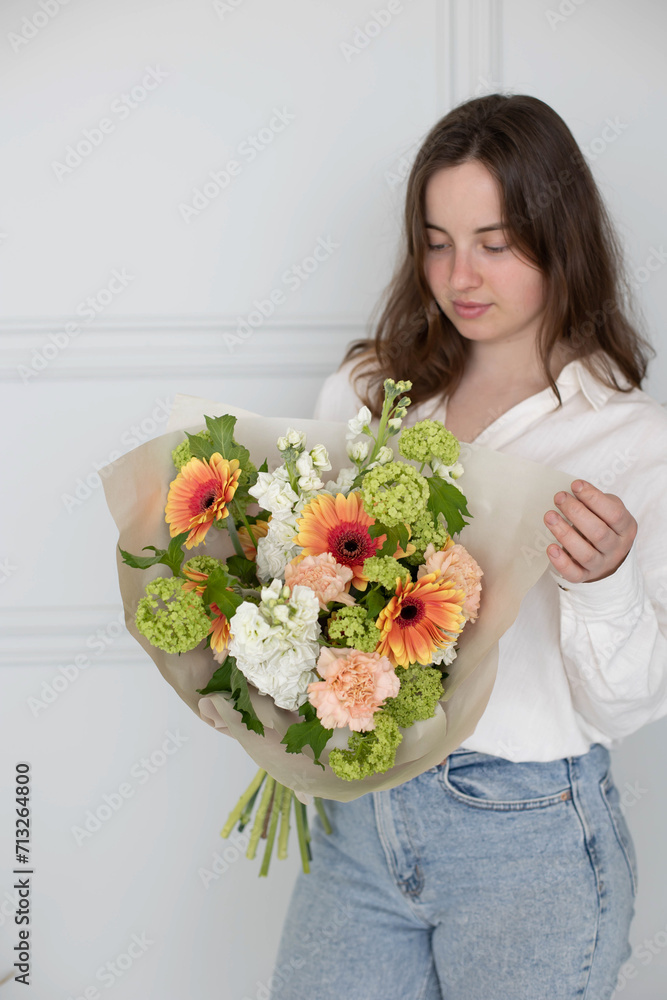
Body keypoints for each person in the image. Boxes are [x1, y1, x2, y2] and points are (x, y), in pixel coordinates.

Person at [268, 93, 667, 1000]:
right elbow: (300, 588)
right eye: (437, 240)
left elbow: (627, 707)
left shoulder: (634, 444)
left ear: (559, 238)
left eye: (495, 241)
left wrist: (604, 585)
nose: (460, 275)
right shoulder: (369, 395)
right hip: (360, 822)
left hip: (527, 839)